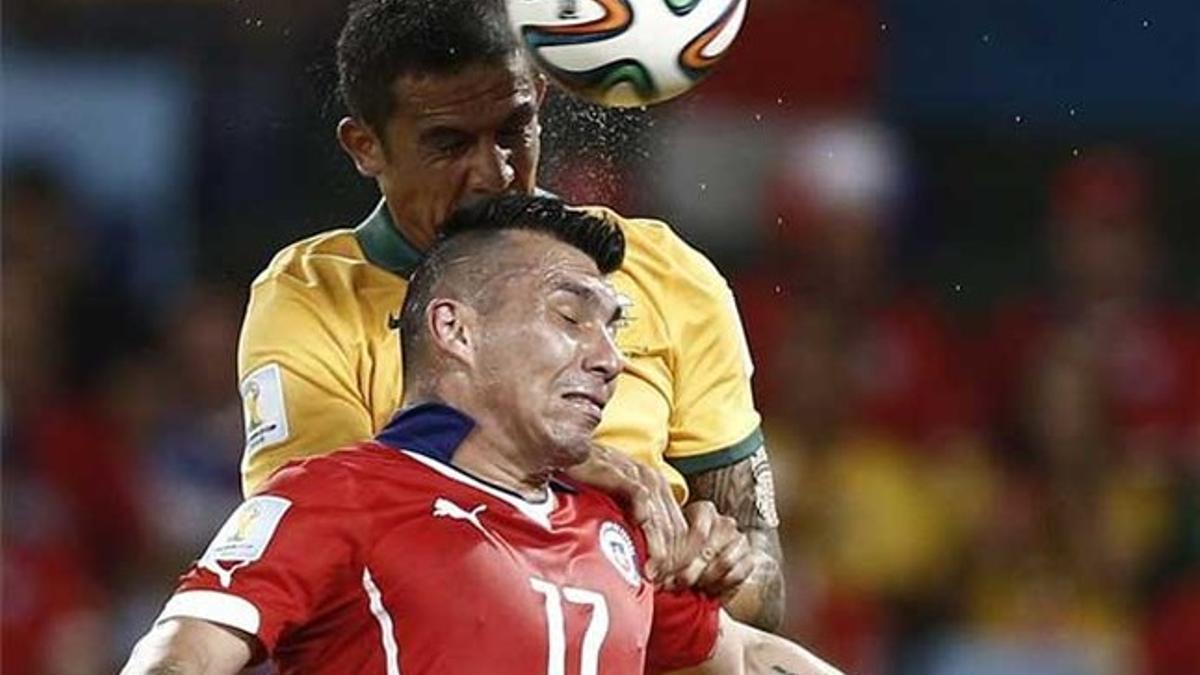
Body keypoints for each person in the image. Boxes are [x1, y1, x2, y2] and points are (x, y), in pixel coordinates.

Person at [236, 0, 783, 628]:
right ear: (366, 147)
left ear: (541, 101)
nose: (492, 172)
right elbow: (318, 550)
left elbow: (764, 586)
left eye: (512, 130)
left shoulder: (666, 275)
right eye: (448, 143)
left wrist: (721, 569)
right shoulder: (312, 298)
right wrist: (564, 466)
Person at [122, 196, 838, 675]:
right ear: (455, 329)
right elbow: (180, 655)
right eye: (570, 317)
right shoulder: (339, 497)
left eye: (612, 327)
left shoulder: (612, 535)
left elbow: (746, 655)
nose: (608, 356)